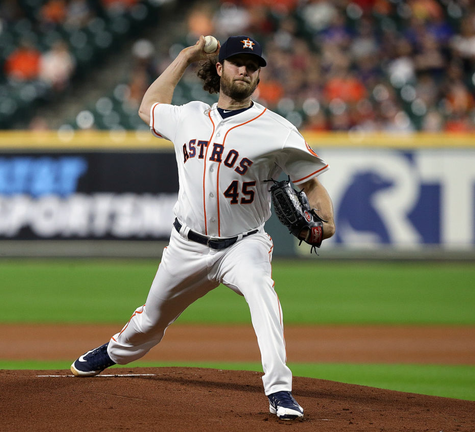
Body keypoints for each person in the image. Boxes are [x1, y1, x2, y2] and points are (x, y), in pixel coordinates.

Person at [70, 35, 336, 421]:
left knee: (262, 295)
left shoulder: (277, 130)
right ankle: (114, 351)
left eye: (252, 64)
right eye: (236, 62)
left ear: (259, 75)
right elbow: (148, 106)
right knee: (150, 322)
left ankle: (279, 390)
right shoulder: (189, 116)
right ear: (219, 68)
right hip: (186, 246)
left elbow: (312, 185)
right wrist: (184, 56)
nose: (244, 69)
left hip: (243, 246)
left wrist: (326, 225)